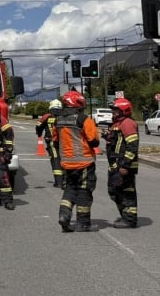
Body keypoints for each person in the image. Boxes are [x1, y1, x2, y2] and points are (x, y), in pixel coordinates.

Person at [55, 90, 100, 232]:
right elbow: (94, 141)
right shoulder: (84, 119)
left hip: (66, 163)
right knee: (84, 191)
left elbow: (55, 141)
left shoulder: (58, 120)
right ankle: (83, 223)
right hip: (84, 162)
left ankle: (64, 215)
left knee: (69, 189)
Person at [102, 98, 140, 228]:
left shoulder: (127, 123)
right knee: (114, 191)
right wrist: (107, 136)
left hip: (124, 165)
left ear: (124, 110)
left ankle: (130, 219)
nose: (113, 112)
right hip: (116, 164)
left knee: (127, 192)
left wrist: (125, 166)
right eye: (113, 110)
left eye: (116, 110)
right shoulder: (117, 124)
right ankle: (125, 215)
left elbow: (133, 146)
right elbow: (117, 142)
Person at [35, 99, 65, 187]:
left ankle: (59, 181)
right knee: (64, 159)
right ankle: (65, 180)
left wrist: (39, 133)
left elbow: (38, 126)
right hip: (64, 142)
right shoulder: (64, 115)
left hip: (52, 141)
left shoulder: (47, 116)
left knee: (55, 159)